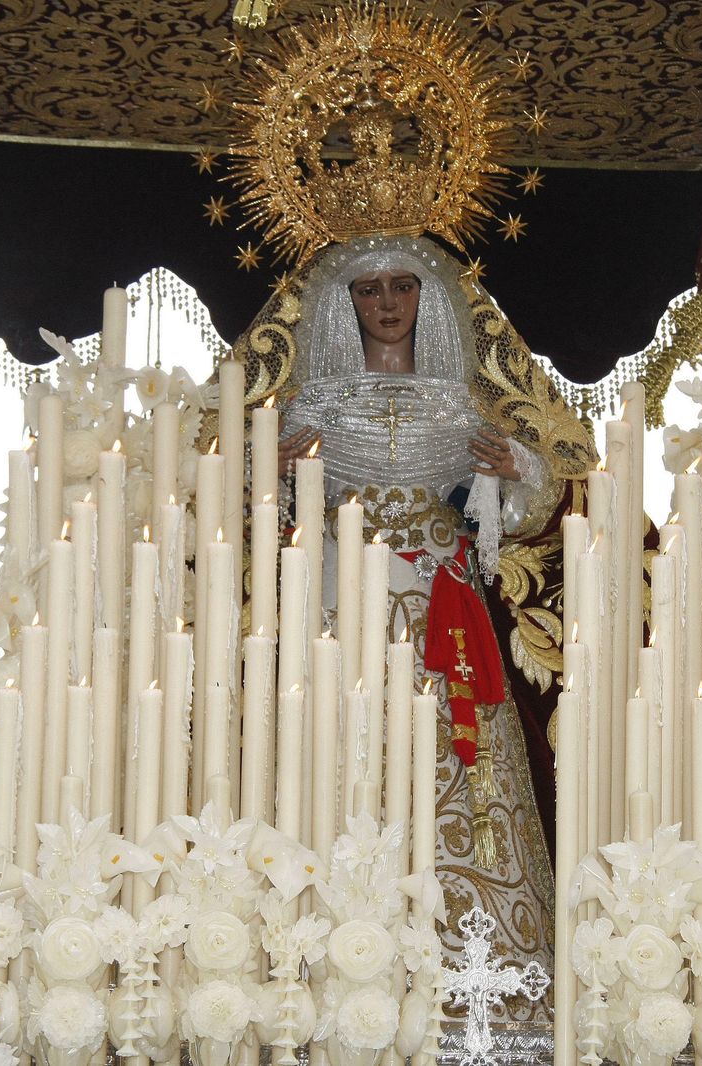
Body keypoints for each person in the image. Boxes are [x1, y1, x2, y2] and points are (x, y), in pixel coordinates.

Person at [234, 233, 595, 1018]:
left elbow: (531, 503)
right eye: (370, 290)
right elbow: (249, 503)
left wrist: (512, 474)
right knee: (338, 752)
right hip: (342, 606)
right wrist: (279, 473)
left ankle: (479, 972)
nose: (388, 304)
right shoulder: (313, 407)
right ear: (345, 303)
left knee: (463, 764)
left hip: (444, 609)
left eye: (404, 286)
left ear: (428, 298)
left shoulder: (461, 402)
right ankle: (328, 965)